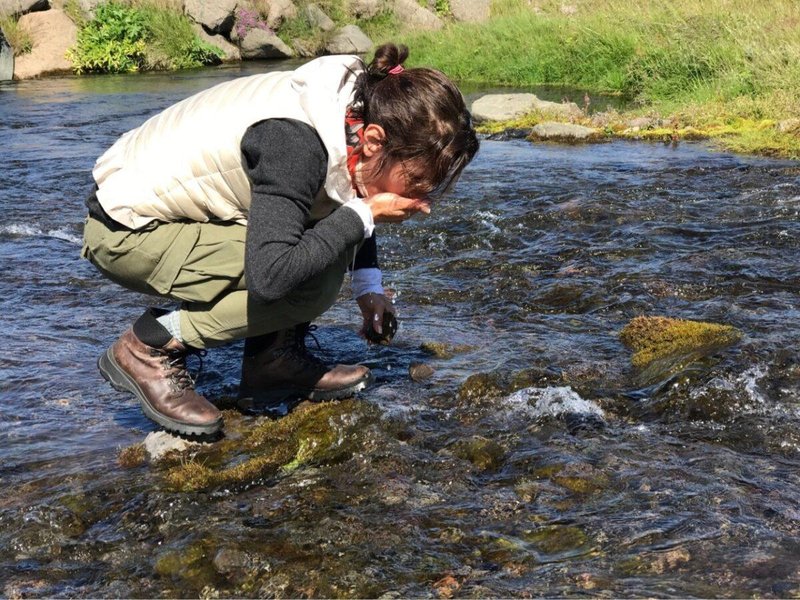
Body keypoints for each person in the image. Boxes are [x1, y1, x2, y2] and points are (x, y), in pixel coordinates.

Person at [81, 43, 479, 437]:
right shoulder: (296, 144)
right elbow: (272, 274)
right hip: (126, 232)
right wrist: (366, 215)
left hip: (166, 214)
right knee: (311, 278)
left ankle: (272, 363)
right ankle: (149, 346)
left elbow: (345, 193)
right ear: (374, 140)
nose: (418, 200)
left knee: (320, 244)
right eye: (415, 183)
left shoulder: (355, 112)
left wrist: (368, 285)